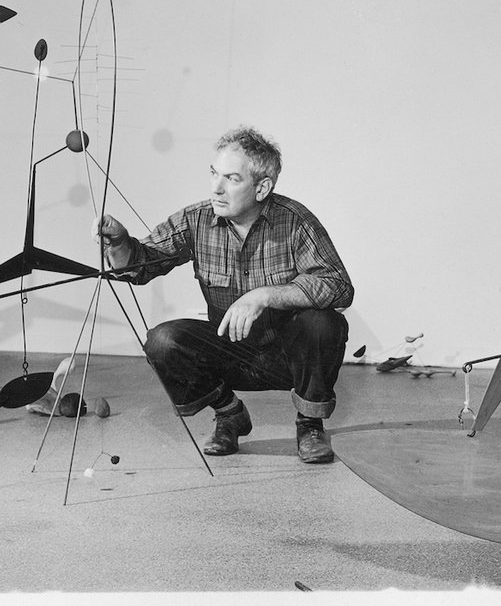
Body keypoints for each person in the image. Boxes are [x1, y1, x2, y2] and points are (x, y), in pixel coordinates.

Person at [97, 126, 353, 464]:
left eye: (231, 178)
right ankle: (229, 413)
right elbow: (141, 266)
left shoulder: (294, 221)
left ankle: (309, 424)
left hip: (287, 358)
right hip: (230, 352)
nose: (216, 188)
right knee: (162, 340)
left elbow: (338, 285)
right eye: (214, 173)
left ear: (262, 187)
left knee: (324, 324)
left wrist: (265, 295)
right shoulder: (197, 219)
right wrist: (119, 243)